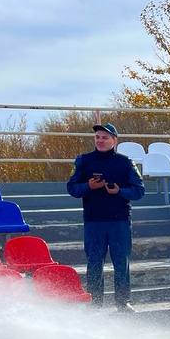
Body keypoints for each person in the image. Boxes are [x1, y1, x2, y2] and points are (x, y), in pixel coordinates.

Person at [66, 122, 145, 311]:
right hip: (94, 221)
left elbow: (139, 190)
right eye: (98, 137)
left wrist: (119, 191)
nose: (100, 140)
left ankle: (123, 302)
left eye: (105, 137)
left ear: (114, 140)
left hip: (119, 221)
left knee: (121, 263)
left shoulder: (125, 162)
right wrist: (88, 187)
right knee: (94, 262)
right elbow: (72, 188)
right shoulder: (83, 160)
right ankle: (94, 302)